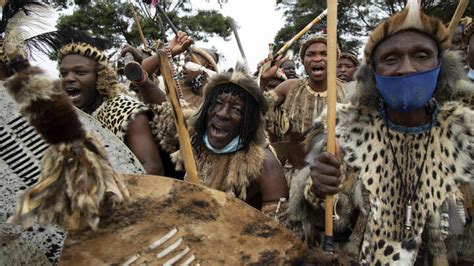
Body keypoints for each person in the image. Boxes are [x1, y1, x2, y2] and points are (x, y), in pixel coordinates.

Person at [287, 1, 474, 264]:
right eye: (391, 58)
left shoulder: (466, 134)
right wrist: (319, 189)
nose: (407, 68)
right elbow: (329, 224)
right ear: (373, 73)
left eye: (421, 55)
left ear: (441, 66)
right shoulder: (345, 132)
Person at [152, 62, 288, 213]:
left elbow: (277, 228)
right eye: (217, 104)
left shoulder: (264, 163)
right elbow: (171, 109)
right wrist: (142, 79)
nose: (222, 114)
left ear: (249, 121)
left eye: (237, 110)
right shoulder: (194, 136)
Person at [58, 42, 165, 176]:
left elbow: (153, 170)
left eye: (80, 72)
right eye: (63, 74)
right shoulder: (80, 118)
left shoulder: (127, 111)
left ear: (100, 77)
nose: (69, 79)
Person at [260, 35, 347, 182]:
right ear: (303, 61)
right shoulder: (289, 87)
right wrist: (263, 81)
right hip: (294, 176)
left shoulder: (347, 91)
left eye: (324, 54)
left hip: (335, 179)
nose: (317, 59)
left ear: (335, 59)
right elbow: (255, 107)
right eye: (311, 54)